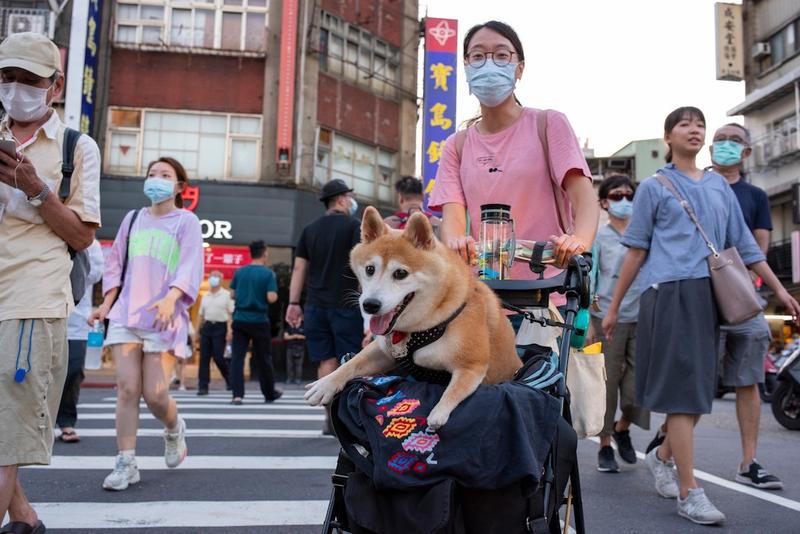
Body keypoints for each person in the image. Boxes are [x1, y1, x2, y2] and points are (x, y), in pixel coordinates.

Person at [602, 107, 800, 526]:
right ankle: (689, 491)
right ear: (667, 138)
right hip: (669, 292)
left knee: (697, 392)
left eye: (699, 125)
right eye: (684, 125)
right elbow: (636, 250)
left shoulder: (718, 187)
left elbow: (745, 246)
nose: (694, 130)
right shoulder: (656, 187)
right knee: (682, 392)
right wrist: (616, 306)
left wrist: (780, 289)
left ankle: (661, 456)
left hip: (710, 294)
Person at [0, 32, 101, 532]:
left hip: (32, 295)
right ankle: (26, 520)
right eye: (7, 77)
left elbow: (82, 236)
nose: (16, 89)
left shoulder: (75, 148)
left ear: (55, 85)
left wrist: (37, 189)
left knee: (7, 430)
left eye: (29, 80)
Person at [430, 21, 599, 303]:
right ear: (467, 67)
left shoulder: (548, 124)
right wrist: (457, 242)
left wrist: (578, 241)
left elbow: (585, 200)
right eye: (478, 56)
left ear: (519, 68)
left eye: (501, 55)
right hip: (483, 298)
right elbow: (453, 220)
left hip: (547, 296)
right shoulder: (456, 145)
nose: (489, 64)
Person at [90, 156, 203, 491]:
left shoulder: (187, 222)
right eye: (152, 173)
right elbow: (115, 265)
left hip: (163, 317)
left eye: (165, 175)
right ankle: (126, 462)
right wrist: (106, 304)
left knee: (155, 395)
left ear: (179, 186)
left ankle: (173, 428)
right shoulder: (133, 218)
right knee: (127, 387)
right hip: (127, 314)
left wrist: (171, 298)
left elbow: (189, 265)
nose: (156, 179)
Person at [710, 123, 781, 489]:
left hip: (741, 295)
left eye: (734, 140)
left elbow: (759, 243)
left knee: (749, 377)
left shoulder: (754, 195)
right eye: (719, 139)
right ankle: (667, 447)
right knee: (697, 379)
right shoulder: (698, 186)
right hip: (699, 296)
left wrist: (753, 285)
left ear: (747, 152)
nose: (725, 145)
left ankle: (749, 460)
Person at [285, 178, 365, 434]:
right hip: (345, 305)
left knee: (326, 361)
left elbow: (299, 268)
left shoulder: (310, 229)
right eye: (349, 197)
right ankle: (346, 418)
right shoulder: (354, 227)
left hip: (315, 306)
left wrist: (293, 303)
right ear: (342, 199)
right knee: (349, 362)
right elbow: (362, 265)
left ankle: (330, 417)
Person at [588, 175, 650, 473]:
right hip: (606, 318)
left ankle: (623, 428)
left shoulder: (645, 233)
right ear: (604, 202)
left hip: (643, 315)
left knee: (641, 386)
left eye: (629, 195)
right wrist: (588, 322)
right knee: (608, 385)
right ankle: (604, 445)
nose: (624, 201)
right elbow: (590, 280)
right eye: (616, 196)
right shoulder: (599, 237)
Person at [57, 240, 105, 443]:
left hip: (78, 317)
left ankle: (67, 420)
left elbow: (95, 273)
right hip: (46, 310)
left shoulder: (89, 242)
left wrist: (72, 257)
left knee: (74, 370)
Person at [229, 240, 282, 405]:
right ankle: (269, 393)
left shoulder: (239, 272)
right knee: (263, 358)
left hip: (240, 319)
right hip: (259, 320)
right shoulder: (268, 274)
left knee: (237, 357)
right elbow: (271, 297)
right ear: (264, 253)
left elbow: (232, 294)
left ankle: (237, 395)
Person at [197, 270, 233, 395]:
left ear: (221, 280)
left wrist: (230, 331)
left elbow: (230, 314)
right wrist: (196, 332)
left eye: (217, 277)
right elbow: (200, 315)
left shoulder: (226, 295)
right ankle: (203, 386)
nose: (214, 279)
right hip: (207, 327)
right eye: (212, 276)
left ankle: (230, 380)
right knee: (204, 358)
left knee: (218, 357)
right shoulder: (205, 296)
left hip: (220, 327)